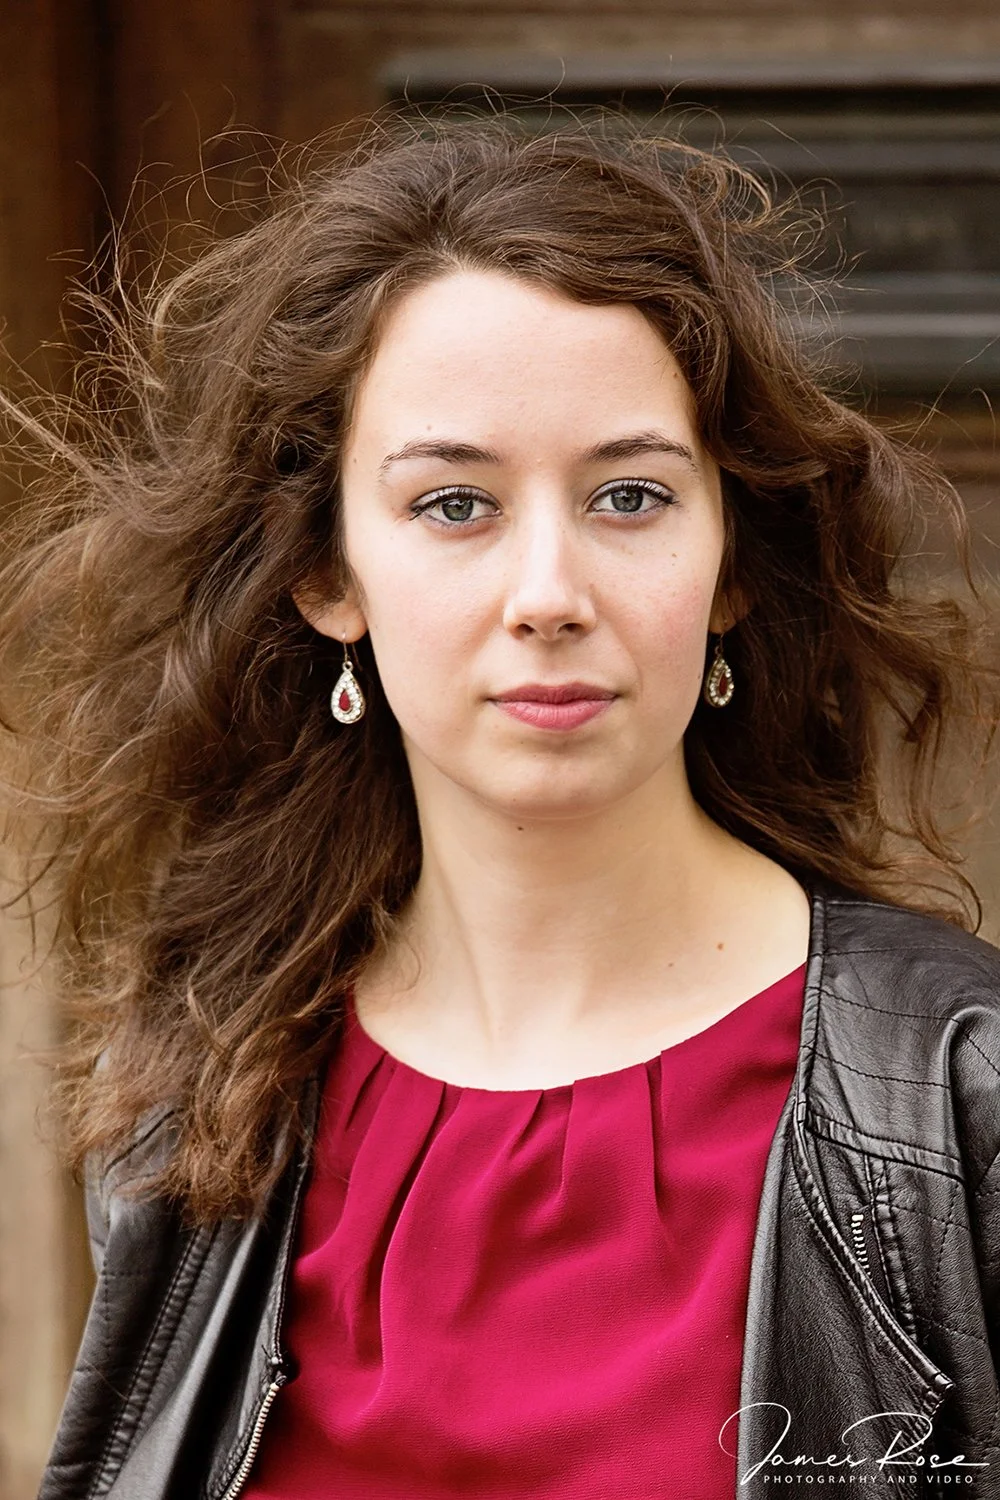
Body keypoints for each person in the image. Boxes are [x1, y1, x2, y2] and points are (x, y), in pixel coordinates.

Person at [3, 110, 1000, 1500]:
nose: (549, 596)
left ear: (733, 564)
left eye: (632, 496)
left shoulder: (960, 1092)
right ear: (326, 575)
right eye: (455, 506)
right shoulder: (203, 1107)